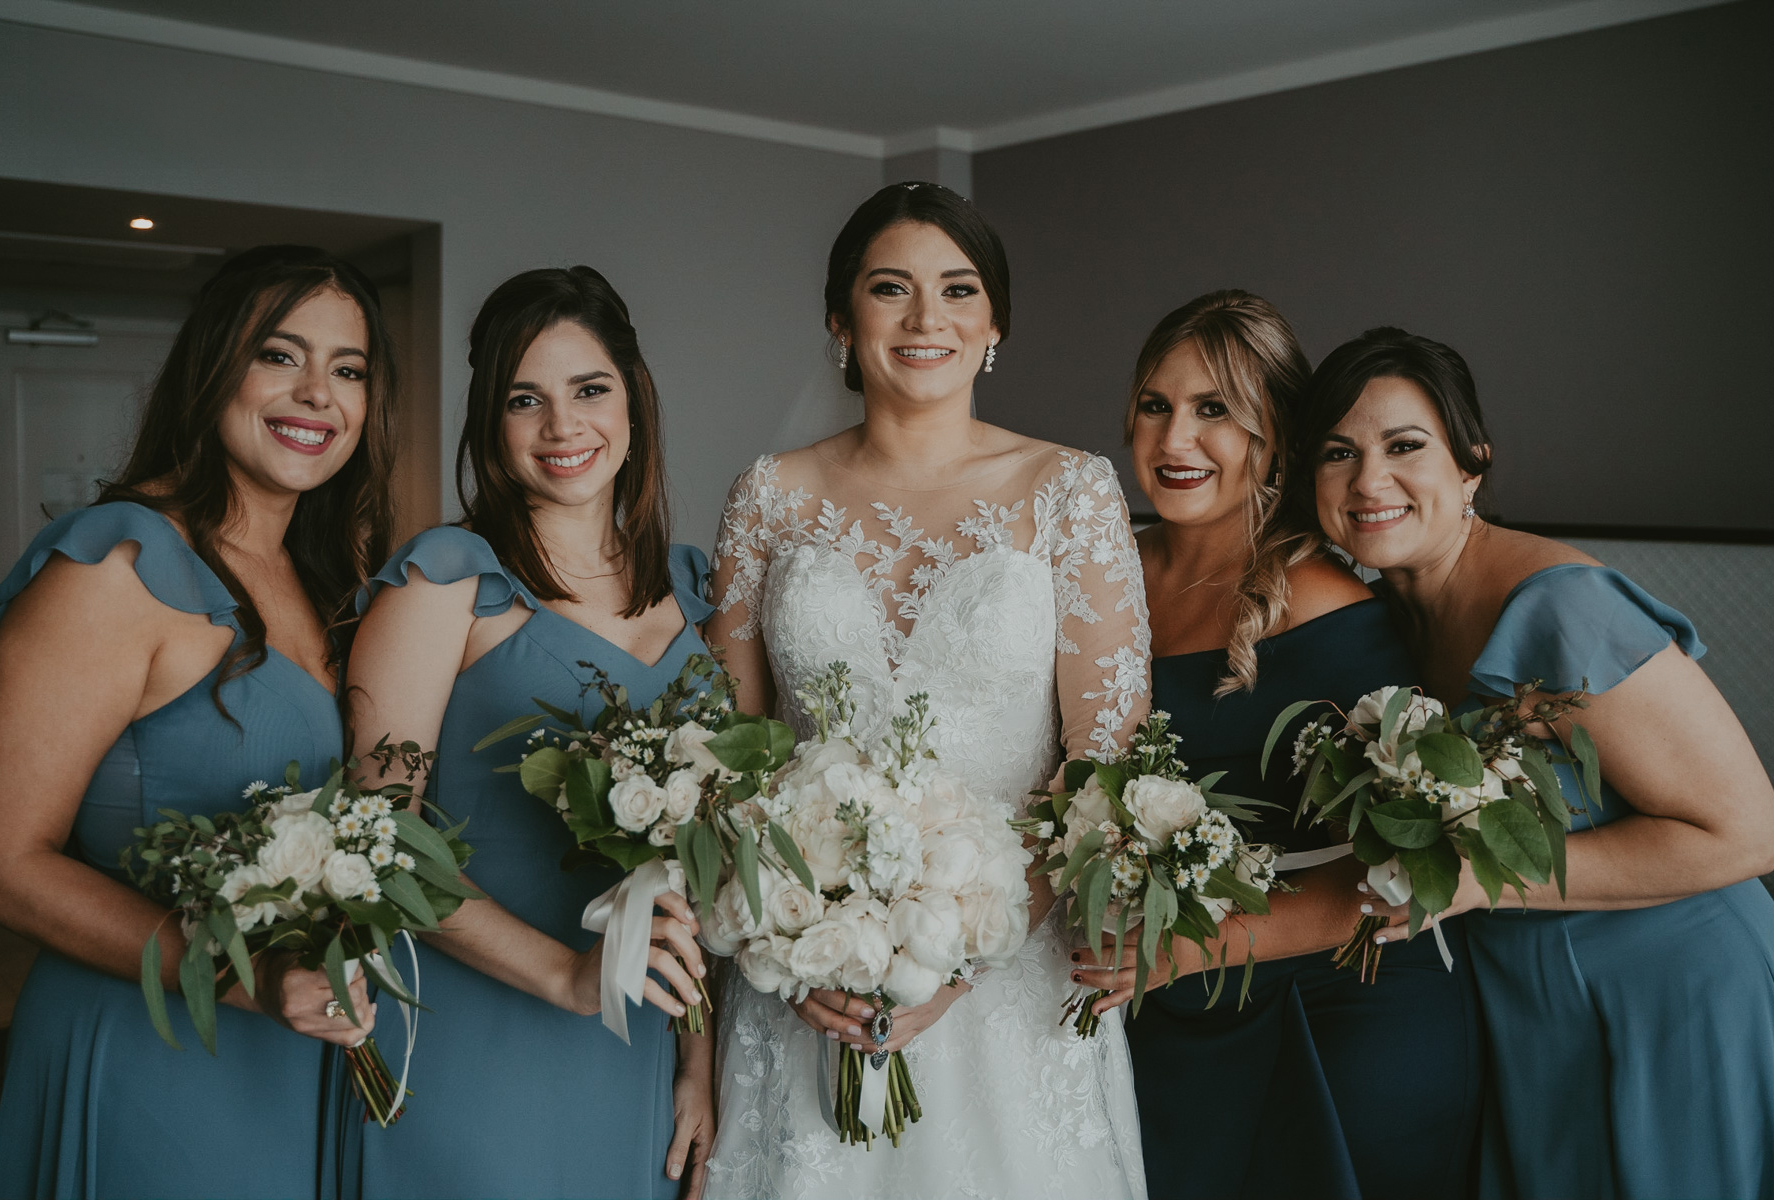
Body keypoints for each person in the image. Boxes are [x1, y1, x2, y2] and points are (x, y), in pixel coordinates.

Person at [705, 182, 1151, 1200]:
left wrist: (963, 957)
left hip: (1014, 980)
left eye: (957, 290)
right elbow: (730, 750)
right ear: (839, 317)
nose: (925, 319)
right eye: (889, 289)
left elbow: (1101, 759)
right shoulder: (769, 496)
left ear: (994, 322)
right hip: (805, 979)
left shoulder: (1070, 492)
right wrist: (790, 939)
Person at [1296, 325, 1774, 1198]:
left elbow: (1746, 833)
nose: (1370, 481)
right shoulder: (1380, 621)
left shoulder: (1562, 608)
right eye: (1338, 453)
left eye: (1406, 446)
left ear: (1472, 462)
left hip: (1672, 995)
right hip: (1529, 1009)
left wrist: (1484, 880)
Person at [0, 245, 397, 1198]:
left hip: (289, 1049)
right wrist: (244, 975)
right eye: (279, 356)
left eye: (348, 370)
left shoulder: (329, 577)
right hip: (150, 1038)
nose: (317, 395)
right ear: (215, 367)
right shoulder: (113, 569)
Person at [1073, 292, 1480, 1199]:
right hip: (1169, 1016)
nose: (1176, 439)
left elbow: (1415, 870)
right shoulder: (1101, 574)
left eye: (1214, 409)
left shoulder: (1334, 613)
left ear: (1275, 433)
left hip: (1334, 1016)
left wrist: (1189, 947)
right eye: (1155, 405)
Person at [345, 265, 713, 1200]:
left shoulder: (705, 588)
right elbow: (375, 841)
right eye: (525, 399)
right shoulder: (446, 580)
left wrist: (701, 1063)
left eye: (589, 389)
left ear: (633, 398)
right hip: (484, 1025)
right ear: (489, 422)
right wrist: (564, 977)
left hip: (650, 1041)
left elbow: (709, 865)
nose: (563, 427)